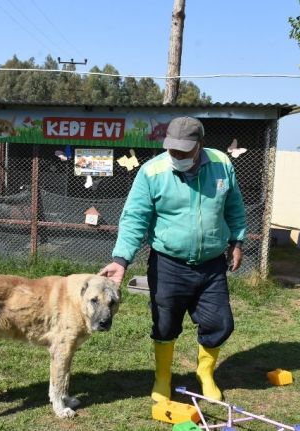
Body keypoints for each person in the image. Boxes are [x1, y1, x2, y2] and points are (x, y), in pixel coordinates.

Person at [99, 116, 246, 402]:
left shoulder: (222, 165)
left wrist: (237, 241)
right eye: (171, 149)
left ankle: (205, 373)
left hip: (212, 264)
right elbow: (134, 218)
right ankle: (162, 377)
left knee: (220, 322)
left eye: (183, 150)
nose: (175, 155)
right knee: (165, 324)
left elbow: (234, 206)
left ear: (199, 145)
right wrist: (121, 259)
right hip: (168, 264)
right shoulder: (152, 172)